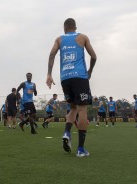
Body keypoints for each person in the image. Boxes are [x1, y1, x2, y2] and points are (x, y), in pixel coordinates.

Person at [46, 18, 97, 157]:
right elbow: (94, 56)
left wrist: (49, 74)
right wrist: (90, 71)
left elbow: (51, 54)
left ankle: (67, 132)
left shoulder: (59, 39)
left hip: (65, 79)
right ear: (75, 27)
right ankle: (80, 149)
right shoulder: (82, 37)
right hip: (80, 77)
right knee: (82, 109)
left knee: (73, 108)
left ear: (64, 28)